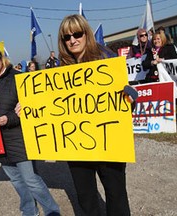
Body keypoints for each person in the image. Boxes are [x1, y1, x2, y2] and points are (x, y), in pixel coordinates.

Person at [57, 14, 132, 216]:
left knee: (116, 195)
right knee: (86, 197)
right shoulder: (60, 69)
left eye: (77, 34)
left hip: (109, 140)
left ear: (86, 34)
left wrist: (129, 96)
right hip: (76, 143)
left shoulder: (107, 58)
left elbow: (126, 98)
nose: (72, 40)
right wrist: (29, 107)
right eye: (66, 37)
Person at [0, 44, 60, 216]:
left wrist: (10, 118)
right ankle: (29, 211)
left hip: (19, 138)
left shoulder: (17, 77)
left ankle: (52, 211)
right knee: (16, 180)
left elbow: (30, 108)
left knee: (31, 180)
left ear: (1, 57)